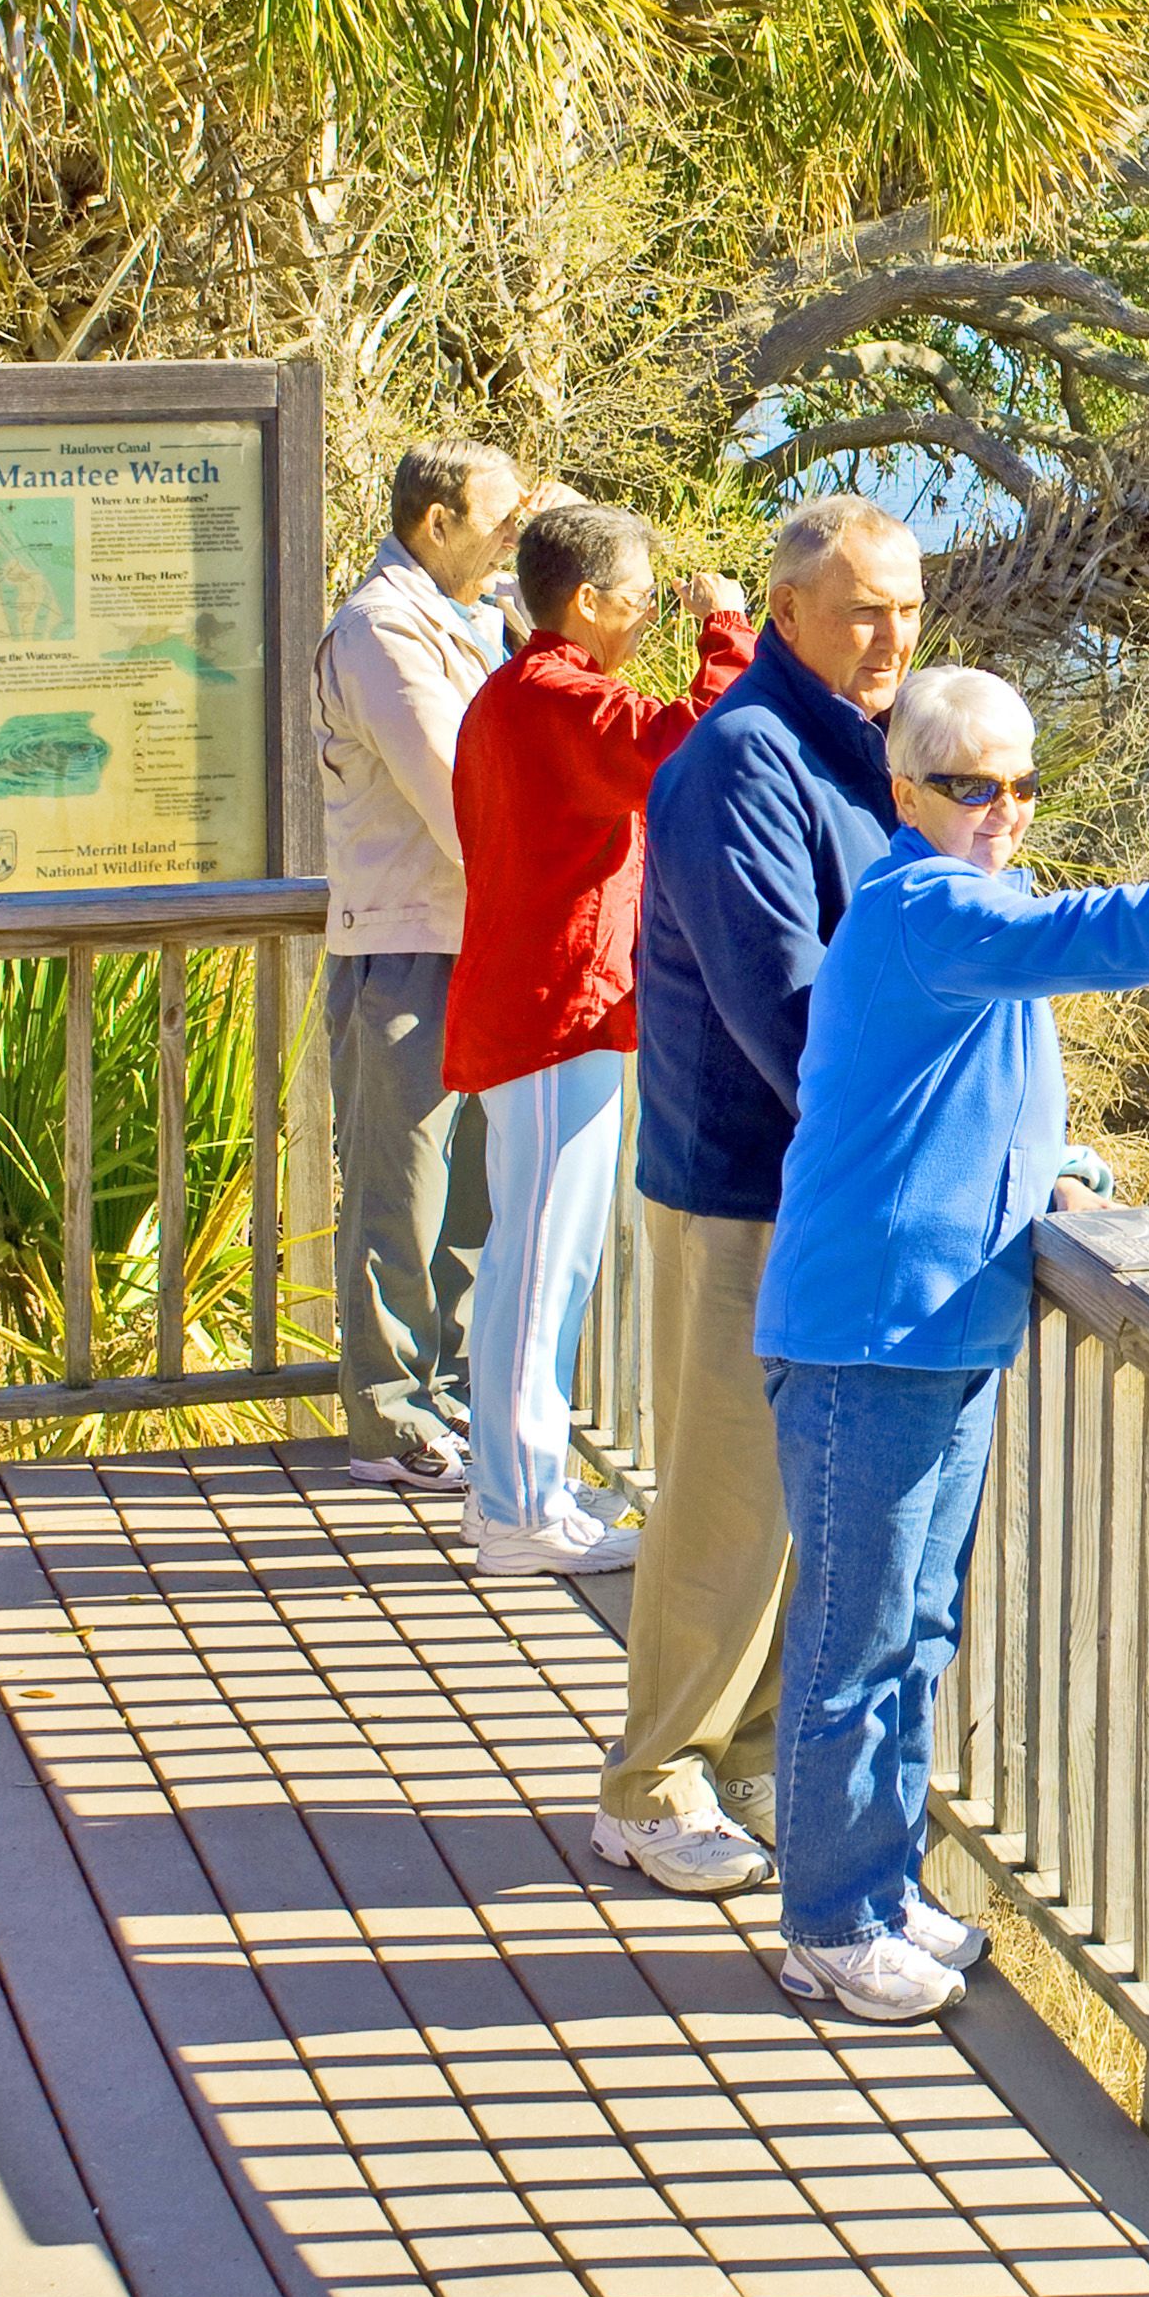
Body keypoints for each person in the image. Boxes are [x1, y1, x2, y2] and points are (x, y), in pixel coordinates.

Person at [753, 667, 1149, 2019]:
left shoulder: (959, 925)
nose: (1000, 812)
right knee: (851, 1641)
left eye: (1020, 787)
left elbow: (972, 1089)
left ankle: (882, 1889)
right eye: (971, 786)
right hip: (872, 1331)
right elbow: (1077, 941)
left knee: (917, 1629)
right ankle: (825, 1922)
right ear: (908, 790)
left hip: (940, 1328)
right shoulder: (929, 905)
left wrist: (1063, 1172)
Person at [586, 495, 924, 1896]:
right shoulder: (740, 765)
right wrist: (912, 1145)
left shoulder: (866, 750)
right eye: (861, 610)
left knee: (798, 1499)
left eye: (908, 609)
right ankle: (654, 1781)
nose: (891, 636)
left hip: (827, 1181)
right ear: (787, 615)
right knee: (726, 1499)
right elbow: (780, 1007)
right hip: (744, 1179)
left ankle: (753, 1759)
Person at [443, 504, 750, 1574]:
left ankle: (510, 1489)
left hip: (543, 1005)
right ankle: (520, 1511)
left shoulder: (514, 695)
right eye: (639, 599)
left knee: (545, 1258)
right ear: (587, 602)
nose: (646, 618)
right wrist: (727, 630)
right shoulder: (558, 698)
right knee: (538, 1264)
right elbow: (687, 750)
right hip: (551, 1010)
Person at [313, 440, 531, 1494]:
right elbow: (463, 799)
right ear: (432, 522)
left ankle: (454, 1400)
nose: (511, 542)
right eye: (497, 521)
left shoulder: (481, 622)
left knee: (479, 1195)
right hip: (403, 943)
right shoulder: (378, 629)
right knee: (401, 1192)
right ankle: (391, 1421)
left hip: (484, 940)